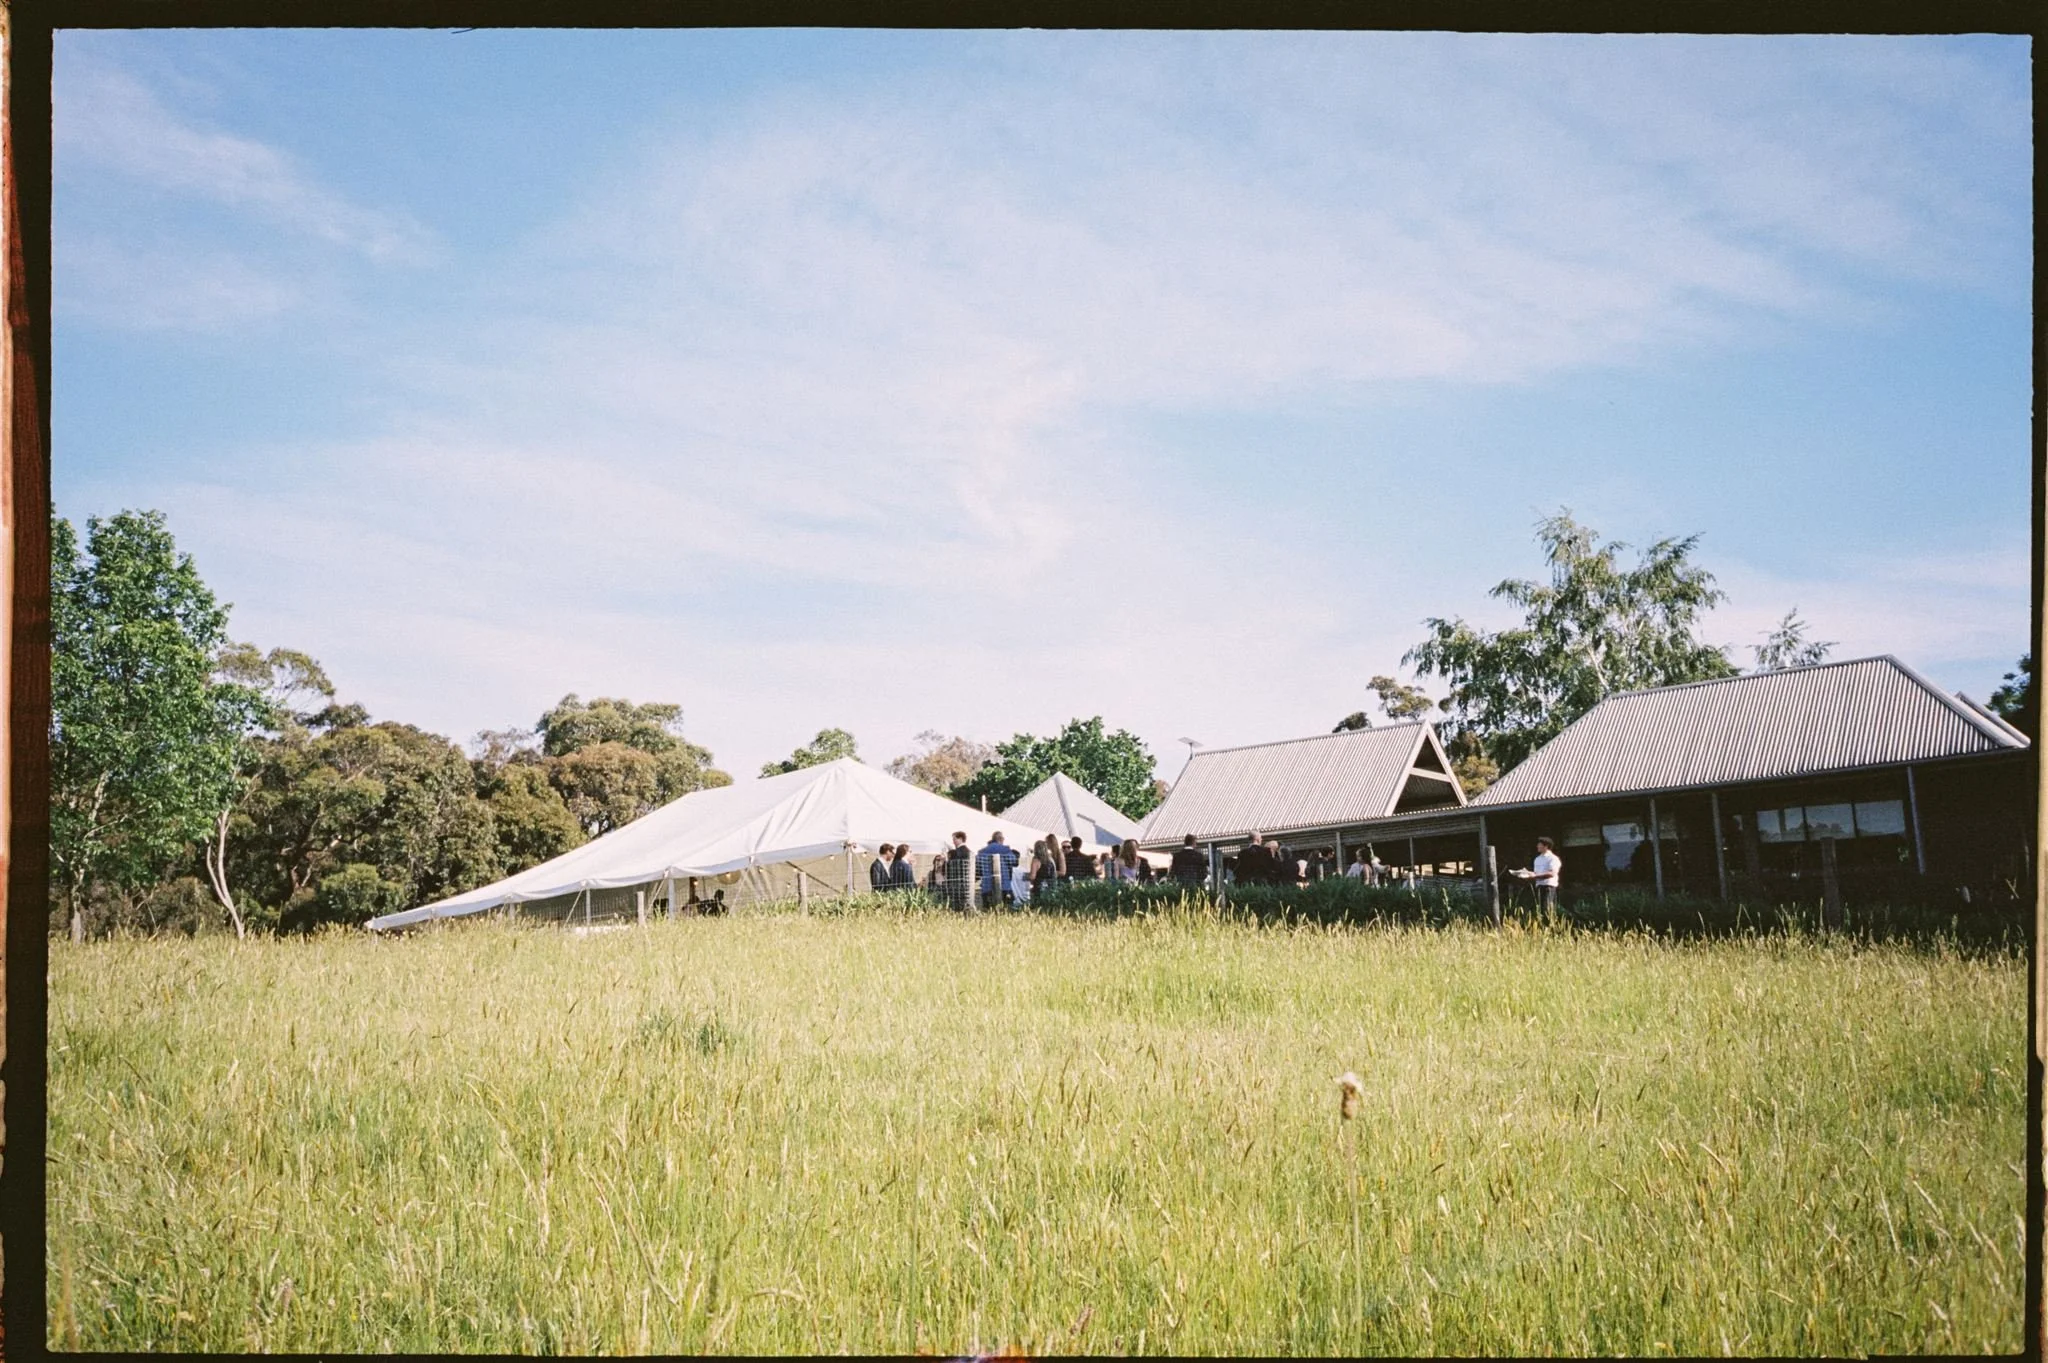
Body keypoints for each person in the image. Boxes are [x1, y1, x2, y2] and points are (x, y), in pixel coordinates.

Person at [1510, 836, 1563, 913]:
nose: (1537, 846)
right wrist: (1527, 874)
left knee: (1547, 910)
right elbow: (1537, 874)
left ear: (1546, 846)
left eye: (1539, 844)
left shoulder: (1553, 858)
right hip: (1538, 887)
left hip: (1548, 887)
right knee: (1539, 910)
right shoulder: (1537, 859)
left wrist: (1535, 876)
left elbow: (1552, 873)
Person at [977, 831, 1021, 907]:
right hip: (1004, 885)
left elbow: (978, 868)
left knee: (988, 909)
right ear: (1001, 839)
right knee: (1006, 908)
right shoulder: (1006, 850)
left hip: (987, 886)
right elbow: (1014, 862)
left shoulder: (981, 852)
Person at [944, 831, 974, 911]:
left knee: (959, 905)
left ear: (960, 839)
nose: (953, 841)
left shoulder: (959, 852)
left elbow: (953, 867)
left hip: (958, 883)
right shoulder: (967, 851)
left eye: (954, 839)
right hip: (965, 882)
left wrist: (947, 861)